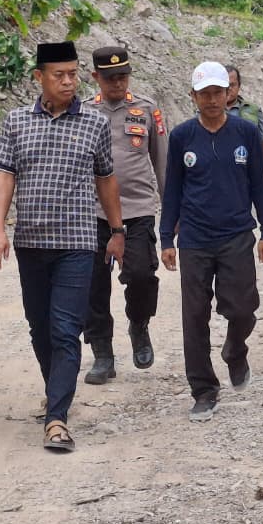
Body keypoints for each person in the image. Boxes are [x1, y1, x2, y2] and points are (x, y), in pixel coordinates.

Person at [0, 41, 125, 453]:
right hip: (31, 242)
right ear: (39, 77)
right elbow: (4, 177)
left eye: (73, 74)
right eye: (58, 75)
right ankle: (56, 391)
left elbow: (106, 179)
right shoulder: (16, 121)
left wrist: (117, 230)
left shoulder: (95, 123)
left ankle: (57, 419)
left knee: (66, 329)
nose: (68, 82)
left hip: (77, 243)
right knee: (40, 327)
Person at [160, 61, 263, 423]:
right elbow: (172, 189)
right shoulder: (181, 136)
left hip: (236, 235)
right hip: (194, 239)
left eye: (218, 93)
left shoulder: (245, 132)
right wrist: (166, 238)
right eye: (204, 94)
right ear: (193, 97)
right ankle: (203, 390)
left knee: (242, 308)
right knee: (194, 316)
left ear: (229, 94)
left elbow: (259, 184)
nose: (212, 100)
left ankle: (235, 350)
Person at [82, 46, 169, 385]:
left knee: (142, 275)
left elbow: (162, 162)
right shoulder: (83, 112)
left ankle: (139, 324)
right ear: (96, 77)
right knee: (93, 285)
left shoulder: (146, 109)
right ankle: (102, 353)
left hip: (138, 209)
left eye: (123, 77)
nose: (117, 83)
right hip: (93, 212)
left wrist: (171, 210)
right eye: (110, 78)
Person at [225, 66, 263, 194]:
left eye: (232, 85)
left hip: (247, 174)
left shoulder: (253, 110)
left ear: (239, 86)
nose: (228, 89)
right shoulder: (210, 111)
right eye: (225, 85)